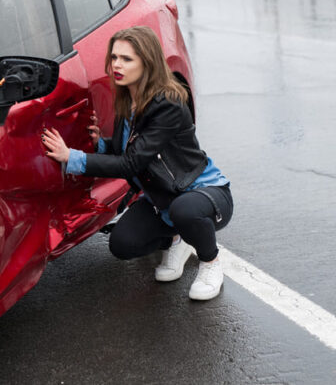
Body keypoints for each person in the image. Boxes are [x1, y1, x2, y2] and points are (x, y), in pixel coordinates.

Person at [41, 26, 233, 301]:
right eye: (115, 57)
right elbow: (130, 149)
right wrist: (101, 145)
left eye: (127, 59)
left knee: (186, 210)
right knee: (122, 244)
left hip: (203, 193)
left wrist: (72, 157)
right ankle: (177, 240)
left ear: (148, 62)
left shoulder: (167, 103)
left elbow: (131, 163)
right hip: (163, 199)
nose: (117, 65)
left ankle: (211, 262)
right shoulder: (129, 99)